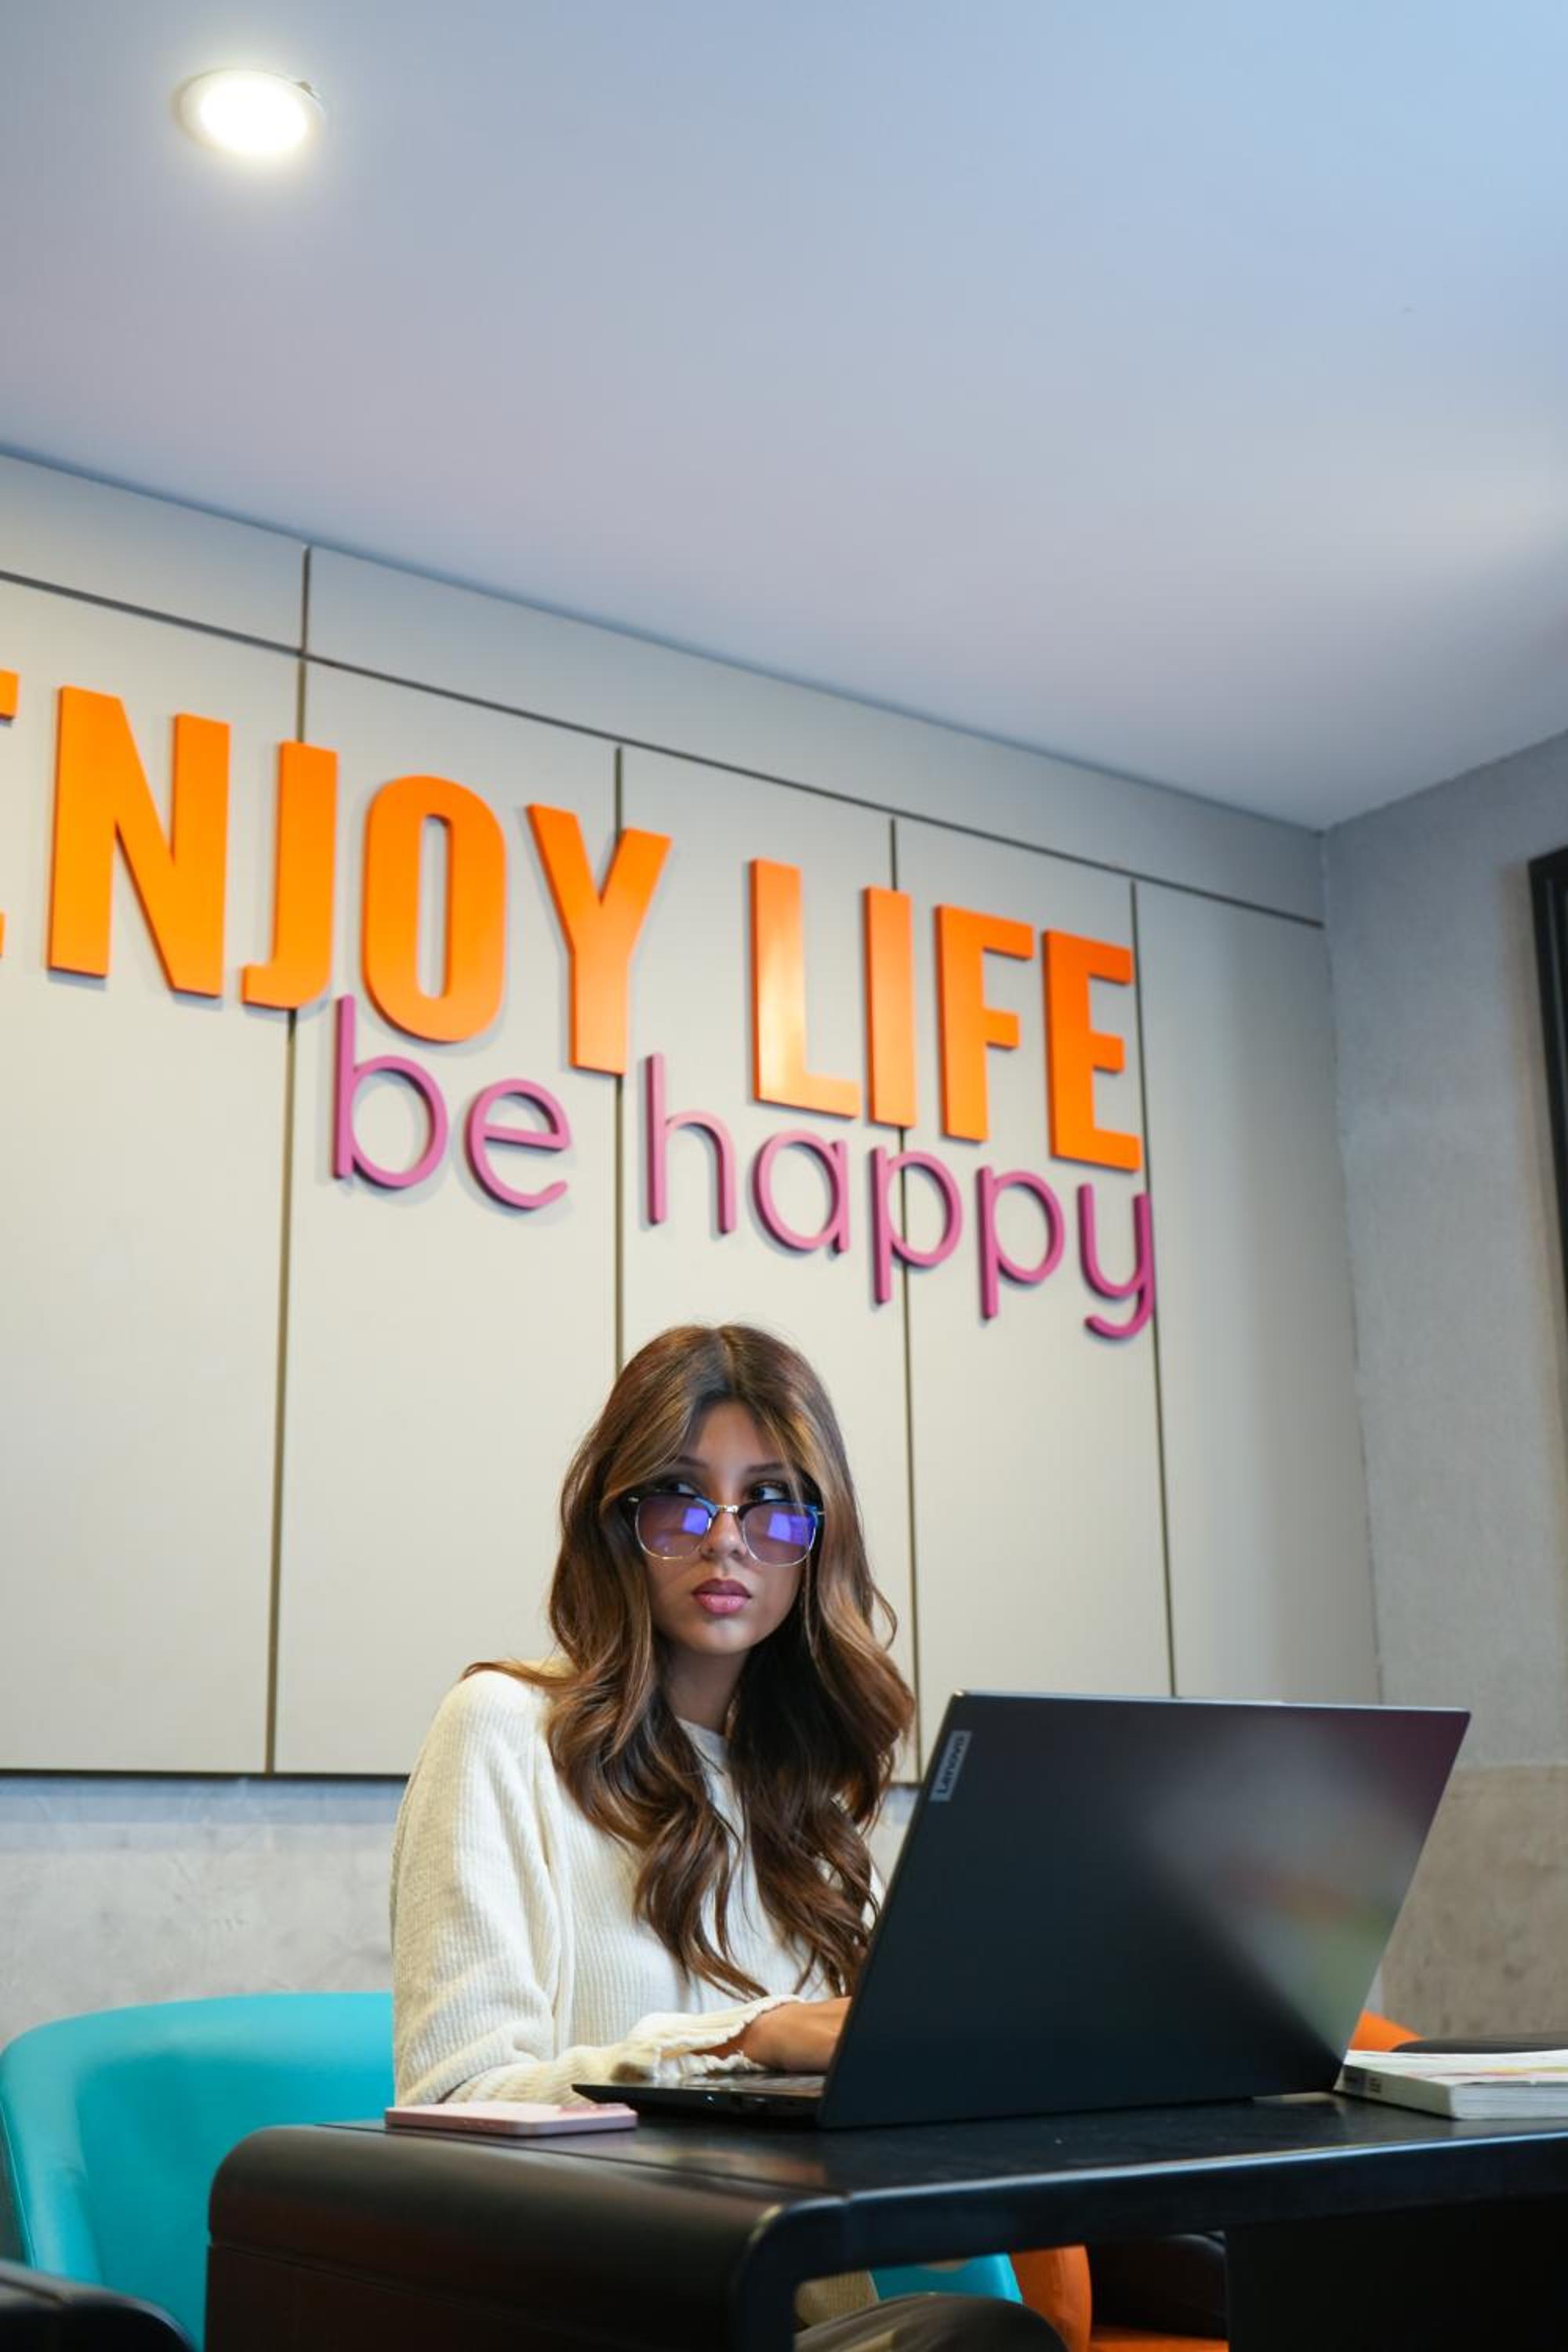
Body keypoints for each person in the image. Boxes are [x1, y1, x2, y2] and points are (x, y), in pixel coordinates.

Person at [391, 1322, 1067, 2352]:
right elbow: (454, 2111)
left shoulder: (808, 1804)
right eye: (680, 1495)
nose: (726, 1539)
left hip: (790, 2315)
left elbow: (916, 2226)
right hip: (586, 2313)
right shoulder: (501, 1729)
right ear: (617, 1522)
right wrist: (744, 2042)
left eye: (772, 1501)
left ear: (818, 1541)